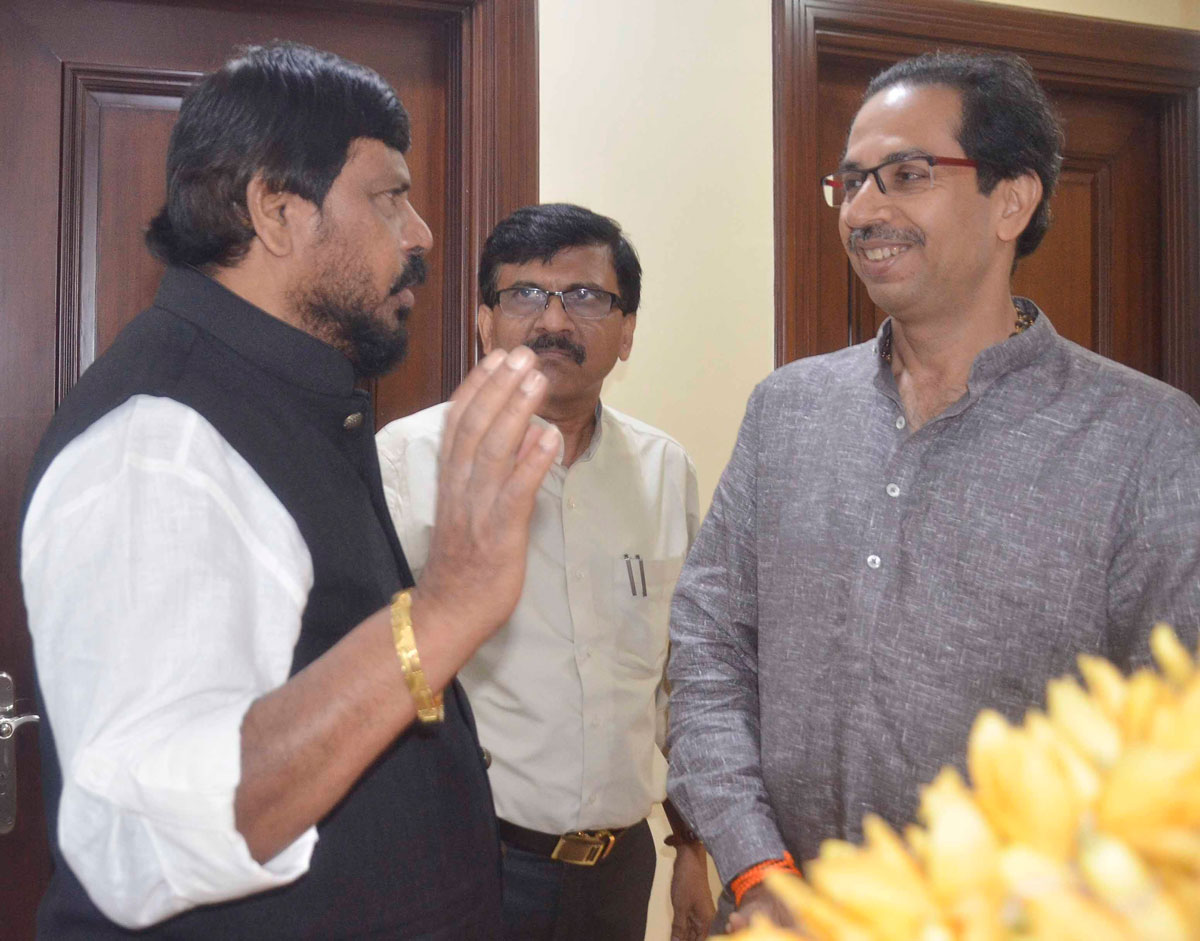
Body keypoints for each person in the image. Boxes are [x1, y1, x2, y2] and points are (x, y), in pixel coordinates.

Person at [19, 42, 561, 939]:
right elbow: (140, 834)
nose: (422, 232)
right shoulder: (159, 444)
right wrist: (446, 607)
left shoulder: (300, 400)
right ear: (277, 210)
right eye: (390, 196)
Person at [665, 50, 1200, 932]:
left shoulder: (1148, 442)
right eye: (852, 180)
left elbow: (1174, 749)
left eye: (906, 175)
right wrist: (758, 868)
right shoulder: (788, 411)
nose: (866, 209)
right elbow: (709, 648)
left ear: (1012, 201)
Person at [377, 203, 715, 941]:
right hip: (470, 860)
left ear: (626, 333)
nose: (553, 320)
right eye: (524, 294)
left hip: (622, 869)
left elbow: (679, 679)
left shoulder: (664, 471)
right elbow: (373, 670)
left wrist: (693, 843)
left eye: (587, 297)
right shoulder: (407, 461)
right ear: (484, 321)